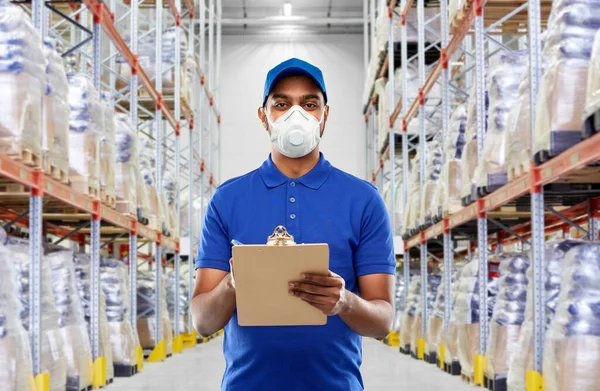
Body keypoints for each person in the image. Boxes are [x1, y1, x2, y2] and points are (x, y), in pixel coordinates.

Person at [191, 58, 395, 391]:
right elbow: (203, 321)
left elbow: (382, 322)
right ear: (263, 116)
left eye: (310, 104)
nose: (295, 115)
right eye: (282, 104)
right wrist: (233, 285)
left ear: (324, 115)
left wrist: (345, 302)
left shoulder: (363, 200)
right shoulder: (228, 200)